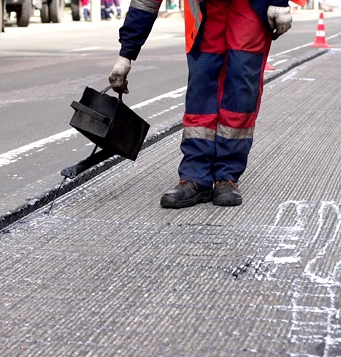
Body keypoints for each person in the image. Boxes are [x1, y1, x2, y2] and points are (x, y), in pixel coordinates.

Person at [108, 0, 292, 208]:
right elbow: (145, 3)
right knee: (201, 90)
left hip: (249, 6)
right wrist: (126, 55)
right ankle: (195, 177)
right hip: (206, 11)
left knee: (241, 89)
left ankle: (227, 176)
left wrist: (278, 2)